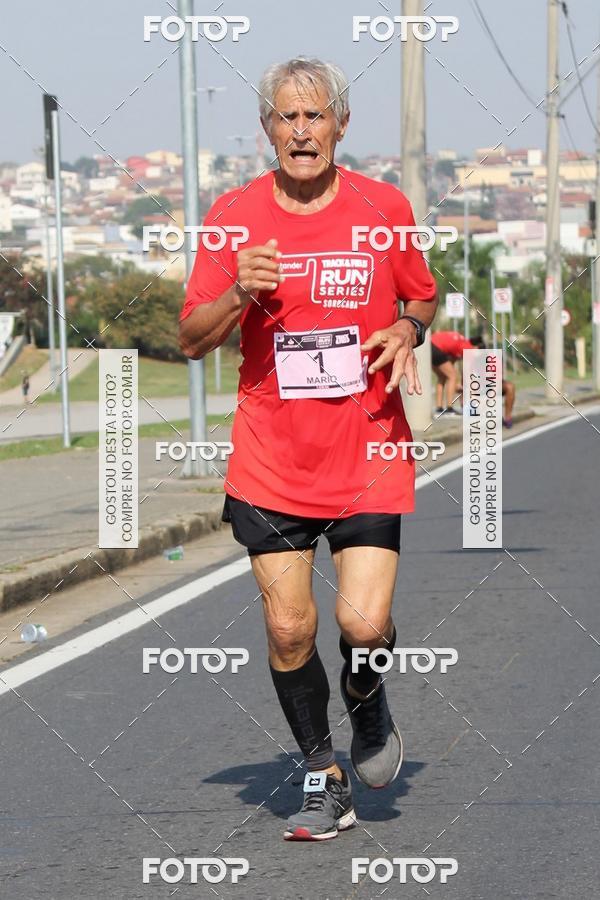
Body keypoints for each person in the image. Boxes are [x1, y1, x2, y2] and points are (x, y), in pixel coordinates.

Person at [179, 57, 438, 841]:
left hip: (368, 449)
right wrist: (237, 294)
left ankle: (368, 700)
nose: (301, 132)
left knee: (363, 625)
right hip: (272, 459)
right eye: (286, 118)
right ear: (267, 129)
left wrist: (408, 327)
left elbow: (423, 290)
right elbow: (190, 339)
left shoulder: (383, 206)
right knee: (290, 629)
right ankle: (324, 776)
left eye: (315, 116)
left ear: (340, 126)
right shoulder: (233, 216)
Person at [430, 330, 477, 414]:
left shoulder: (461, 344)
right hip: (436, 348)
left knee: (442, 376)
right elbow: (468, 373)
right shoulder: (469, 348)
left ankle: (439, 406)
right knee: (452, 376)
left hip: (429, 346)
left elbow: (451, 362)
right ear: (476, 348)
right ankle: (449, 407)